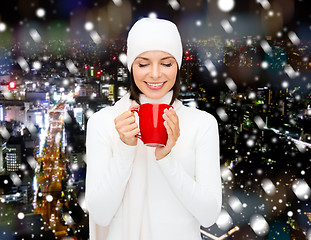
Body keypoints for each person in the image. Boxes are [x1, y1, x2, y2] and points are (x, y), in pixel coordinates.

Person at [85, 17, 222, 240]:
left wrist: (166, 158)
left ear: (177, 66)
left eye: (166, 64)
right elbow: (100, 214)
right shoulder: (105, 123)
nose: (156, 74)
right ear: (131, 67)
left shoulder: (202, 124)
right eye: (143, 64)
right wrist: (125, 149)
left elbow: (209, 215)